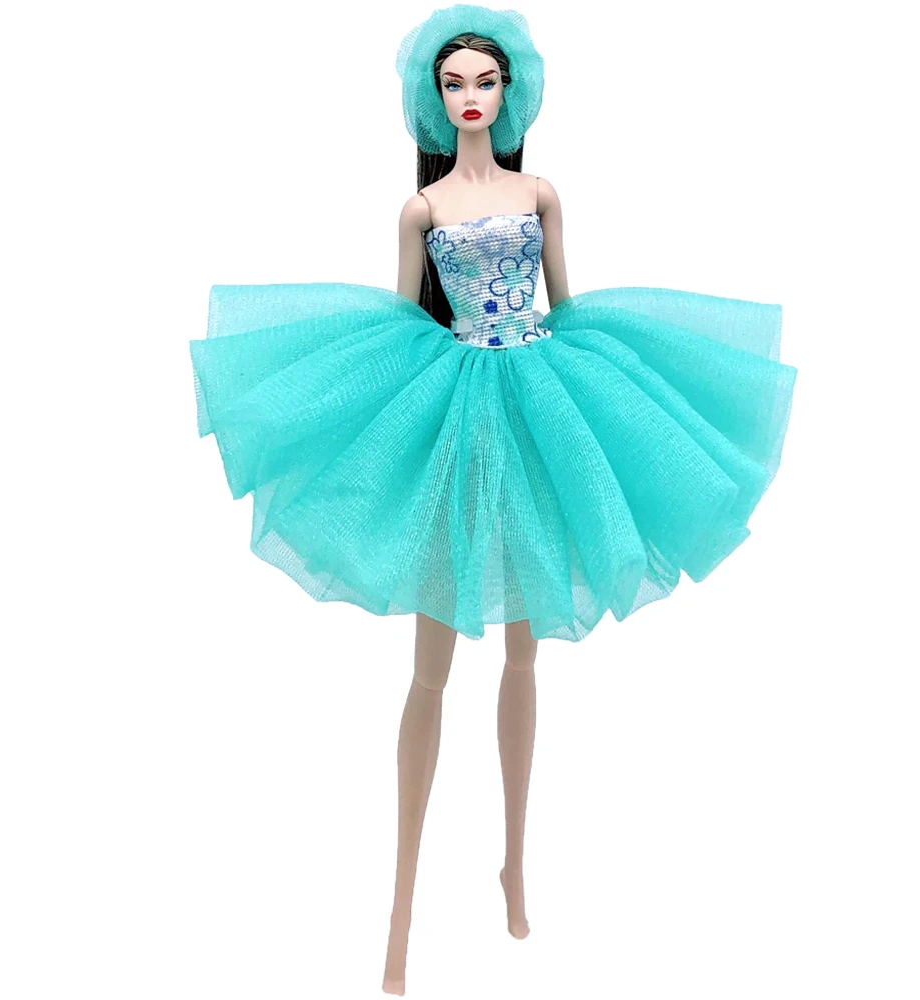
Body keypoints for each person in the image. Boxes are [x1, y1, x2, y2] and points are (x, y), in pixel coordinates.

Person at [188, 5, 797, 993]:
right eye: (454, 83)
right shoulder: (421, 211)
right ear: (432, 99)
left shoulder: (541, 192)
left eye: (484, 81)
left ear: (511, 91)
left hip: (541, 400)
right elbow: (399, 327)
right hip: (459, 405)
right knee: (430, 667)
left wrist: (603, 389)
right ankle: (401, 905)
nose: (470, 96)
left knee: (522, 647)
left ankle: (514, 867)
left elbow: (566, 301)